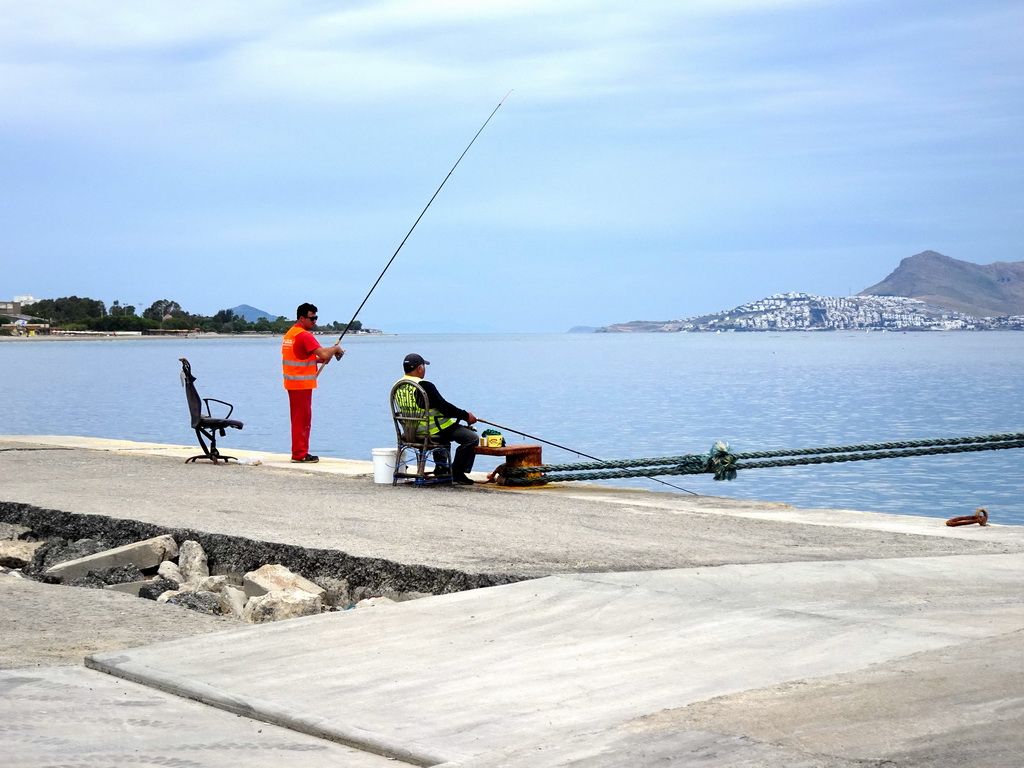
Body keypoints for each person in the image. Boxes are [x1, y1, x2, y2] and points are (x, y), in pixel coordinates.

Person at [397, 353, 479, 484]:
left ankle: (441, 468)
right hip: (432, 430)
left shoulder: (399, 385)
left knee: (446, 430)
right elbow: (444, 408)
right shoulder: (424, 385)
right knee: (471, 438)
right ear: (420, 368)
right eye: (424, 366)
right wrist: (466, 416)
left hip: (410, 432)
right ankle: (457, 472)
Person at [282, 303, 344, 463]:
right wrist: (335, 349)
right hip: (301, 384)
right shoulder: (304, 335)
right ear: (302, 318)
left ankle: (299, 452)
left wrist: (317, 360)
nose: (314, 321)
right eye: (312, 318)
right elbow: (324, 352)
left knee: (298, 418)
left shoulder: (291, 333)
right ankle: (299, 454)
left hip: (293, 383)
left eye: (316, 318)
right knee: (302, 420)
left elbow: (299, 356)